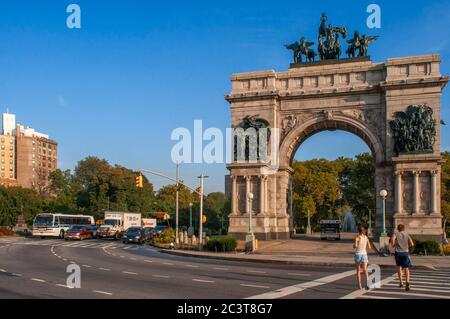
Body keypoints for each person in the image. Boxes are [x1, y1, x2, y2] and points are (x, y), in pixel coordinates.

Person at [390, 224, 414, 291]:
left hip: (398, 253)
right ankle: (407, 282)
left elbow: (392, 240)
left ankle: (401, 282)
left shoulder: (395, 234)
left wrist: (393, 245)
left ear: (398, 228)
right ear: (404, 228)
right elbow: (412, 244)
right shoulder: (407, 234)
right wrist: (407, 246)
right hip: (405, 253)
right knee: (406, 268)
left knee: (399, 267)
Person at [353, 226, 371, 290]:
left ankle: (360, 285)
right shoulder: (366, 237)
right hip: (364, 254)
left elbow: (355, 246)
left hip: (358, 254)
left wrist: (354, 246)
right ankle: (367, 282)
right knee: (365, 269)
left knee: (358, 270)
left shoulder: (357, 237)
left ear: (359, 231)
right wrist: (364, 248)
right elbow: (369, 247)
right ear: (364, 231)